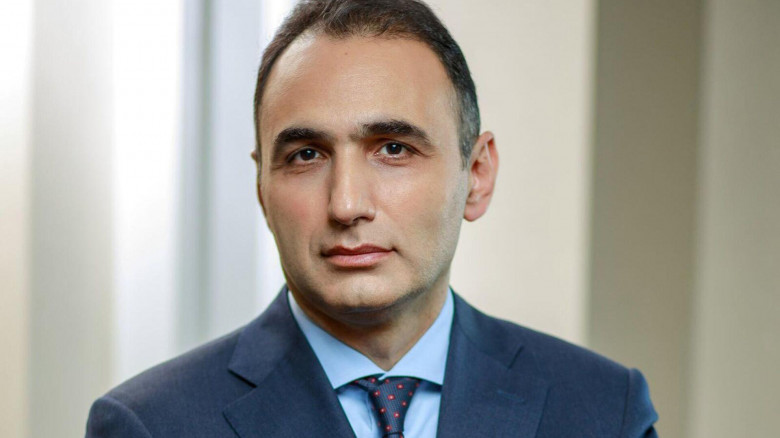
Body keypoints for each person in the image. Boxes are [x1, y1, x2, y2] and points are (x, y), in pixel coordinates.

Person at [86, 0, 658, 436]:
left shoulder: (605, 410)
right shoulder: (152, 425)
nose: (346, 204)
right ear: (262, 188)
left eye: (393, 149)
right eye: (306, 155)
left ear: (477, 175)